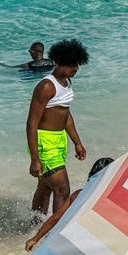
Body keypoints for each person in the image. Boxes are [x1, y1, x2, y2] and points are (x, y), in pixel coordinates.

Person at [27, 40, 90, 219]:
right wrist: (34, 159)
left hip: (59, 140)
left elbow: (66, 115)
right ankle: (55, 233)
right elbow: (31, 123)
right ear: (59, 63)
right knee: (62, 189)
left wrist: (77, 142)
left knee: (46, 187)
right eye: (72, 64)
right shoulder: (46, 86)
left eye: (78, 64)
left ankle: (34, 225)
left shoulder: (67, 82)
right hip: (45, 142)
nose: (76, 68)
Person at [26, 158, 116, 254]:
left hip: (78, 243)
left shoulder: (79, 194)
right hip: (101, 244)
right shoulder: (113, 198)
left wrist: (35, 239)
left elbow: (56, 218)